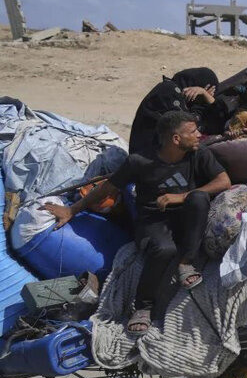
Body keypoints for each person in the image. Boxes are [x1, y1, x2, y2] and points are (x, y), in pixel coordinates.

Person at [45, 111, 232, 334]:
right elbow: (107, 188)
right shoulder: (139, 161)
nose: (199, 135)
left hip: (186, 217)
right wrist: (72, 209)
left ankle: (185, 262)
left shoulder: (198, 153)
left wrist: (182, 196)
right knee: (165, 250)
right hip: (153, 221)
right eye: (193, 131)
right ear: (176, 139)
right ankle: (143, 307)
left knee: (199, 198)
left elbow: (224, 181)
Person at [128, 67, 225, 158]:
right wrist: (202, 104)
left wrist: (207, 98)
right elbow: (189, 128)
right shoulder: (169, 91)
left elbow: (216, 126)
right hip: (147, 159)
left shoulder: (182, 98)